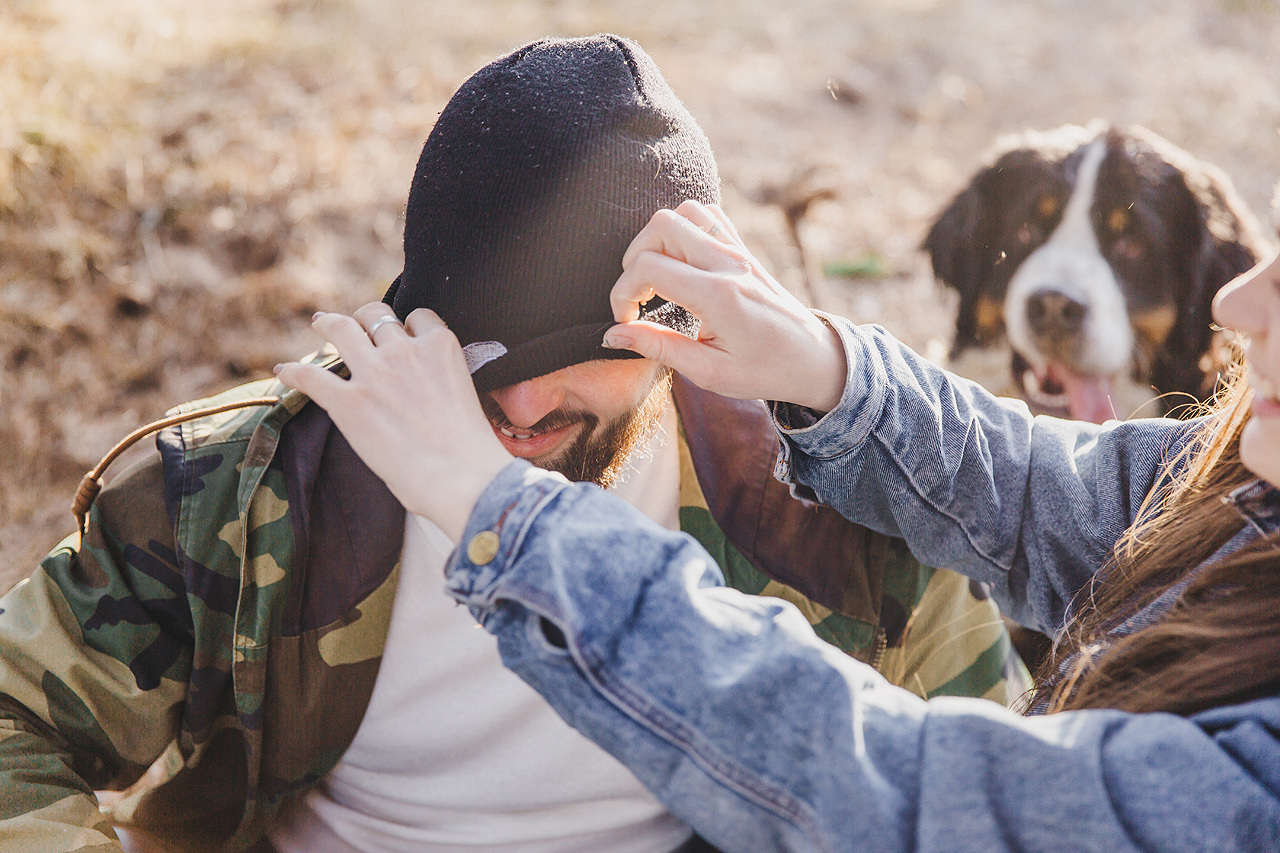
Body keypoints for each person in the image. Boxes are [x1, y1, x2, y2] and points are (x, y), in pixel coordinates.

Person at [0, 36, 1023, 853]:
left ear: (678, 328)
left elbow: (996, 784)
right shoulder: (243, 487)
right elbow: (15, 724)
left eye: (582, 348)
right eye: (484, 345)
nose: (525, 400)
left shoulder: (825, 504)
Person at [275, 194, 1280, 852]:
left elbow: (897, 797)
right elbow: (1047, 496)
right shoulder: (1251, 504)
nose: (1234, 302)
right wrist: (823, 368)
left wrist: (499, 515)